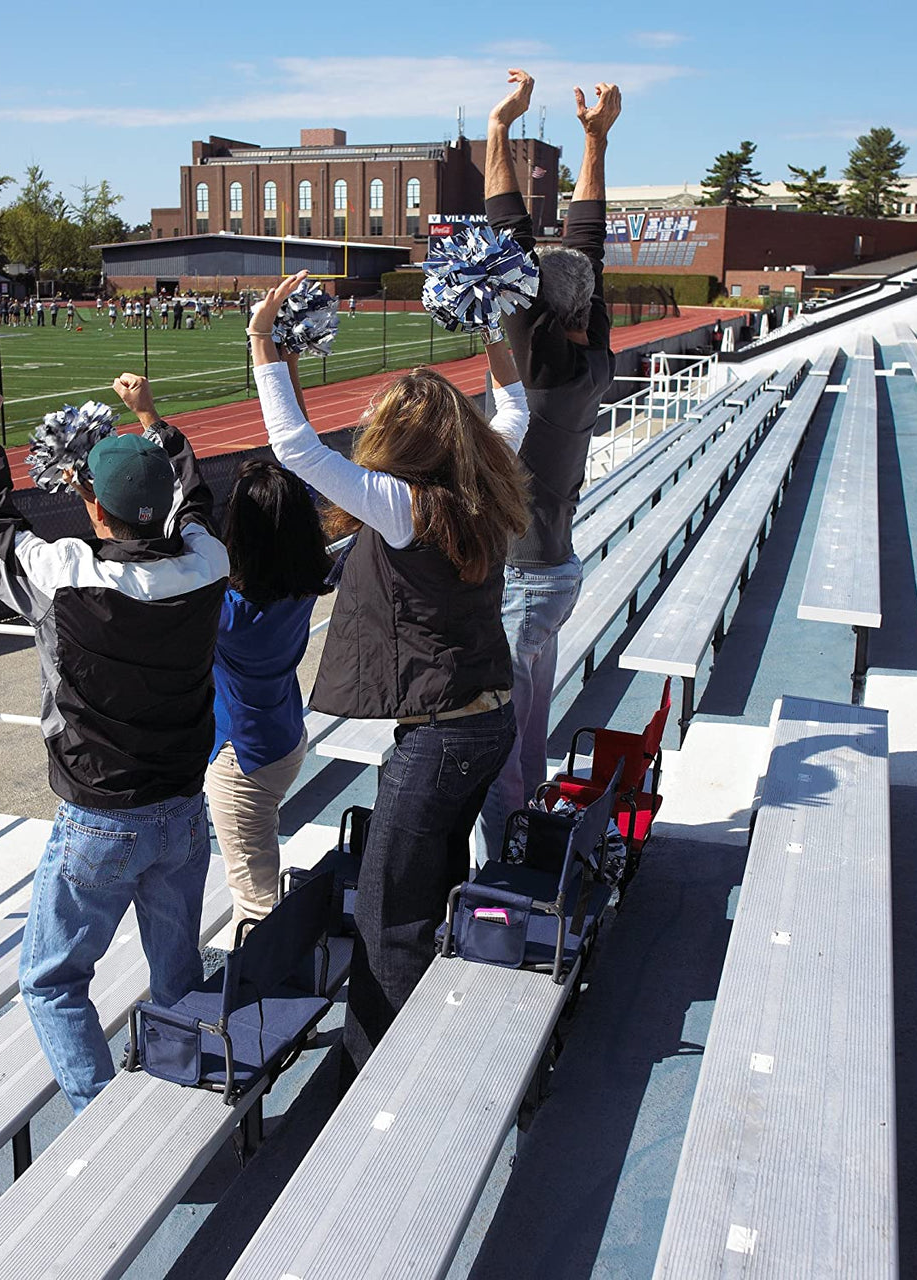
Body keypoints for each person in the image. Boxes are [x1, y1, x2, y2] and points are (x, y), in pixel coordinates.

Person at [248, 269, 530, 1078]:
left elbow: (294, 448)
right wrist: (491, 330)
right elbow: (513, 413)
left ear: (406, 441)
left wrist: (265, 344)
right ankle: (434, 1026)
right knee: (436, 878)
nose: (367, 422)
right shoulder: (481, 482)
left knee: (387, 917)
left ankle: (383, 1071)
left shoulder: (405, 507)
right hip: (486, 719)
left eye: (379, 418)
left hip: (441, 736)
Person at [0, 372, 229, 1114]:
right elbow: (195, 501)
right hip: (182, 814)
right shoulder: (208, 564)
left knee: (49, 980)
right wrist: (152, 418)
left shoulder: (63, 575)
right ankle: (188, 1090)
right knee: (177, 976)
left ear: (92, 506)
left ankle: (103, 1121)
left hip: (98, 823)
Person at [475, 69, 622, 862]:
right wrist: (594, 143)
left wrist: (499, 129)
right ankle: (529, 851)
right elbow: (585, 248)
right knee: (527, 742)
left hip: (525, 582)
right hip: (555, 573)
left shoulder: (547, 373)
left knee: (497, 754)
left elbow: (506, 237)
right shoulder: (591, 357)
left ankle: (507, 876)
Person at [206, 459, 333, 927]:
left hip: (245, 760)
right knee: (259, 872)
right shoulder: (307, 584)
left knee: (256, 900)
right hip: (283, 739)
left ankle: (271, 991)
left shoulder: (228, 614)